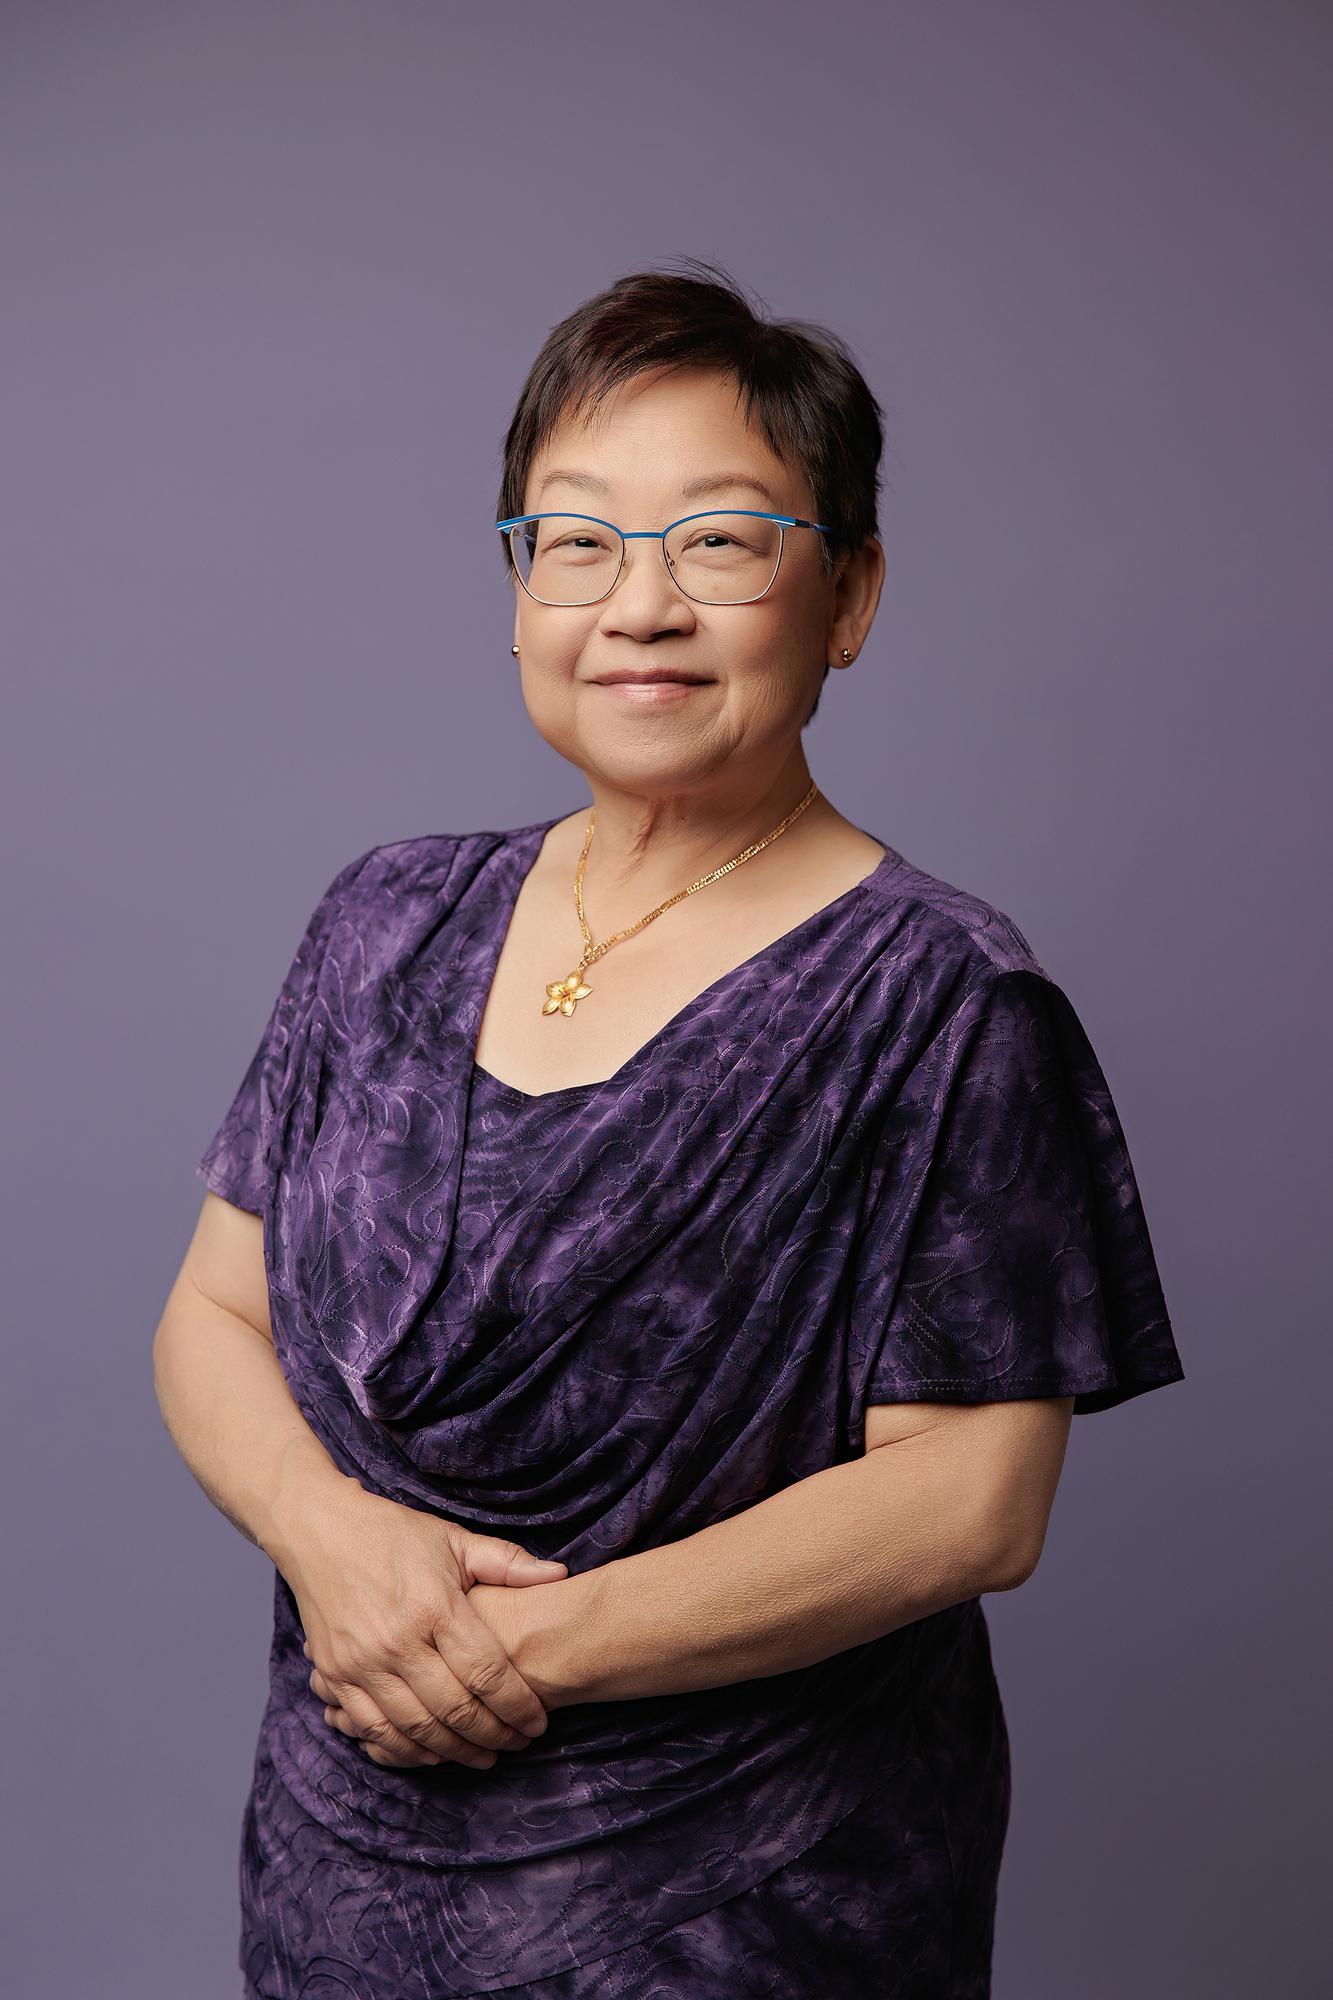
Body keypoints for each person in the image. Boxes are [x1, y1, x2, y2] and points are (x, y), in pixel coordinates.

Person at [154, 260, 1185, 1999]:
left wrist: (520, 1652)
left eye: (717, 540)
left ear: (846, 595)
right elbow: (212, 1316)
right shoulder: (381, 920)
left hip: (741, 1894)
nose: (638, 606)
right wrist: (340, 1555)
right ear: (515, 589)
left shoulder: (940, 997)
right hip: (347, 1851)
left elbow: (971, 1502)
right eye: (576, 542)